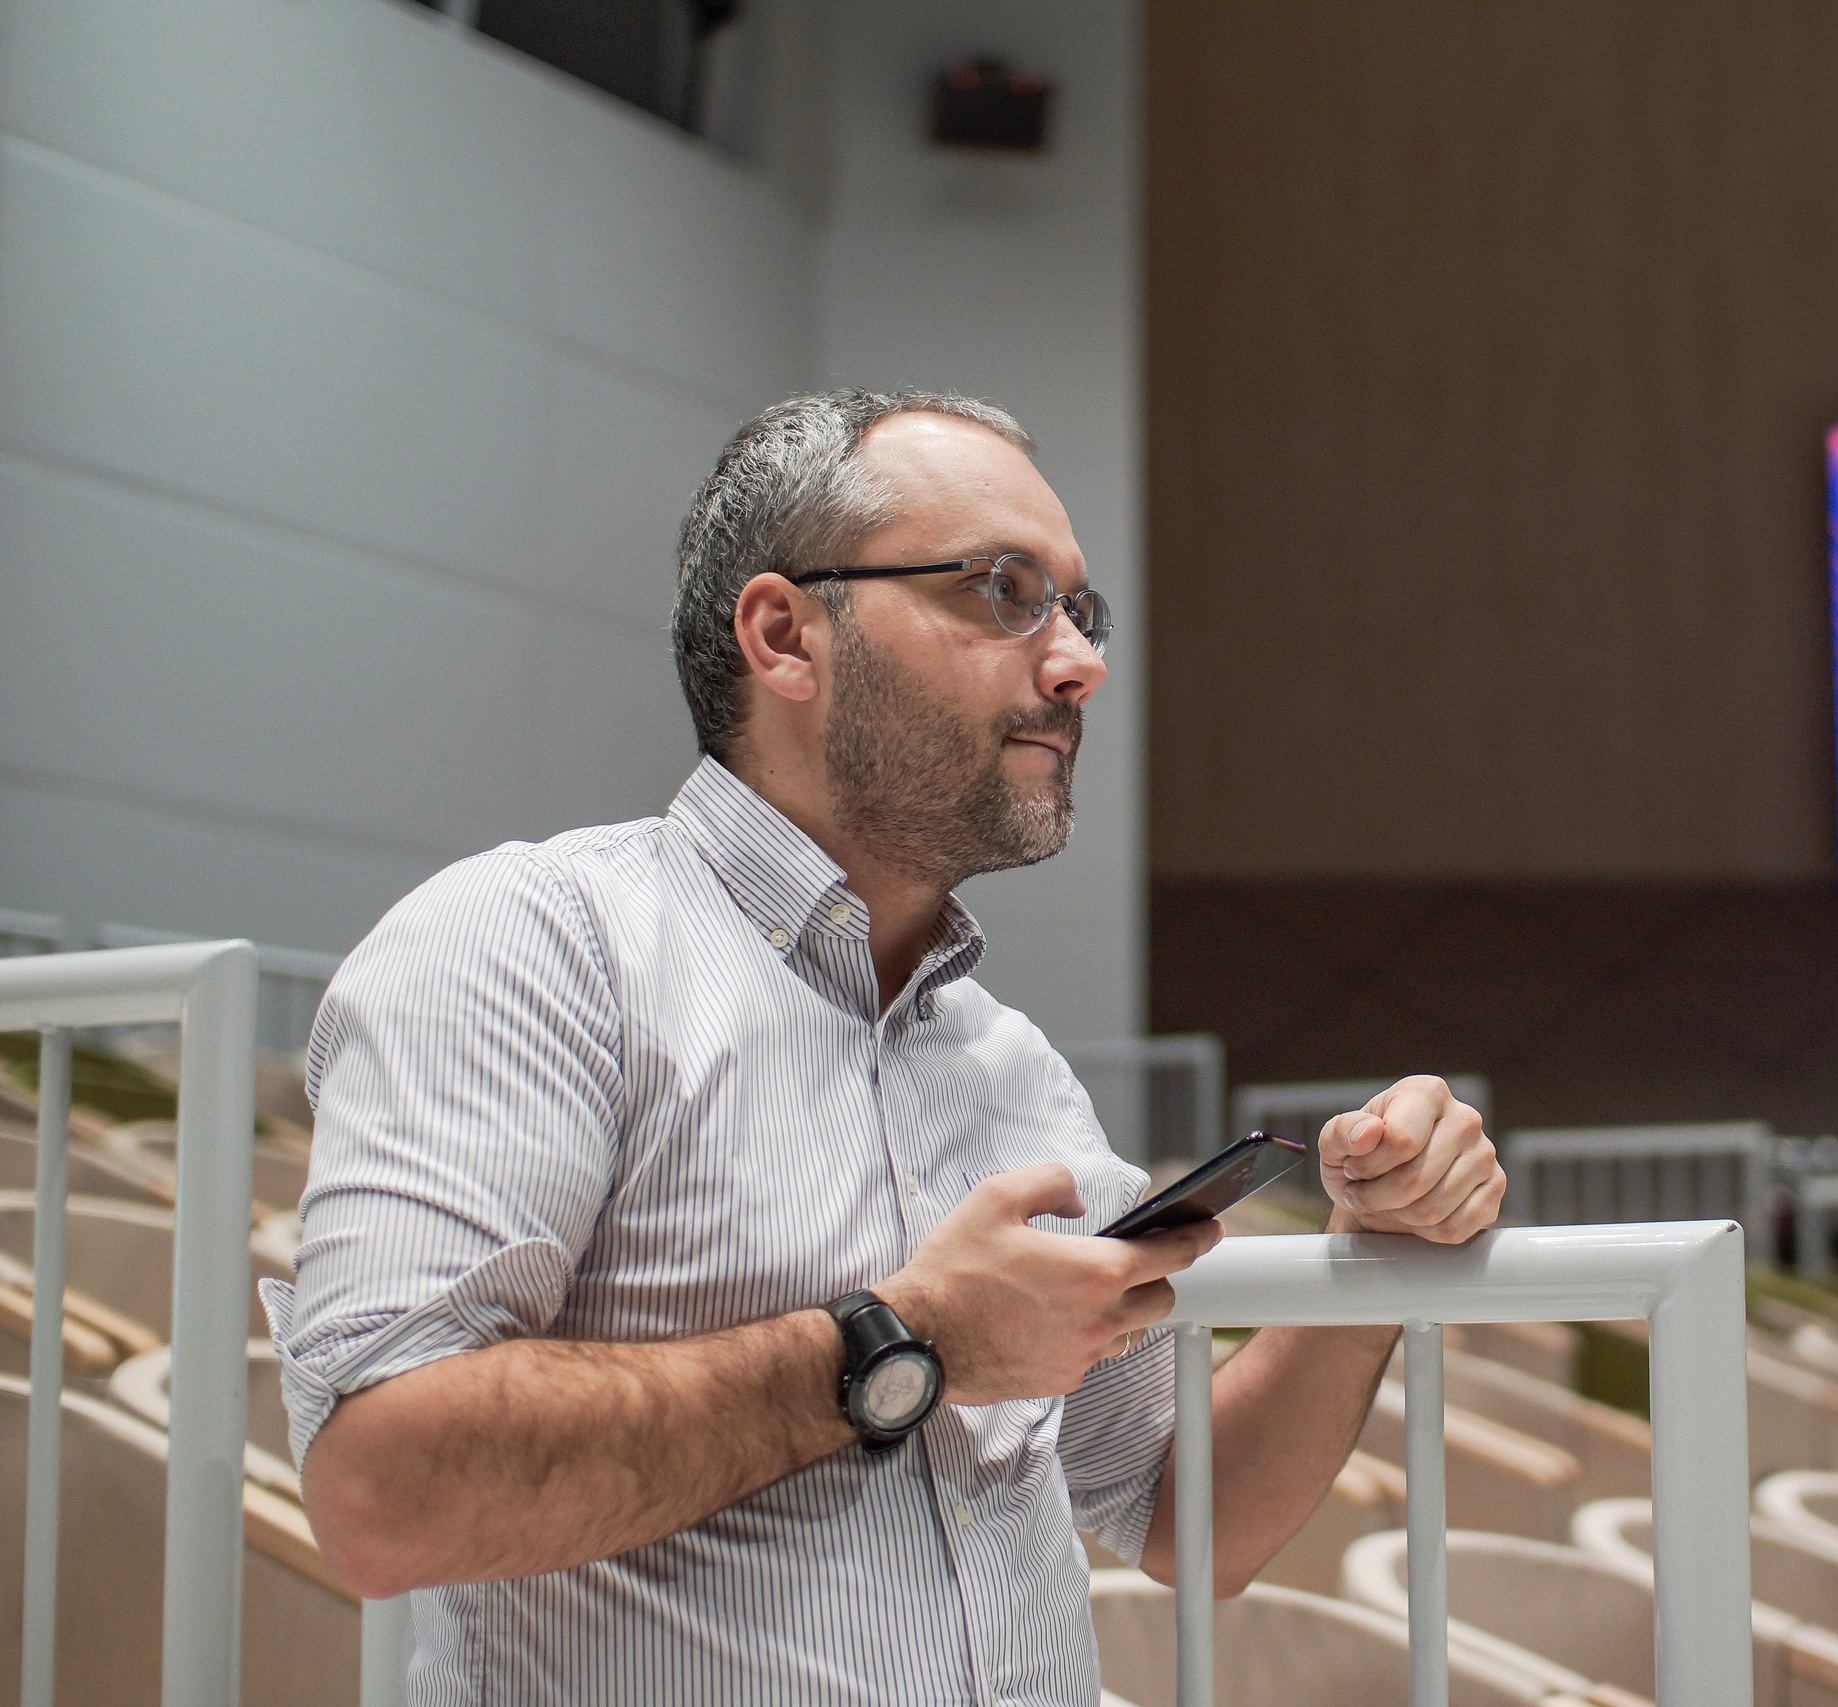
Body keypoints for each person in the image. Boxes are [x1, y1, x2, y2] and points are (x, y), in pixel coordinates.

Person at [267, 389, 1505, 1704]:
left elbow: (1186, 1512)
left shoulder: (1008, 1062)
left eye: (1081, 612)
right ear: (786, 635)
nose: (1077, 663)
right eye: (1002, 591)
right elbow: (385, 1496)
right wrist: (901, 1346)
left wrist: (1376, 1257)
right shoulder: (532, 945)